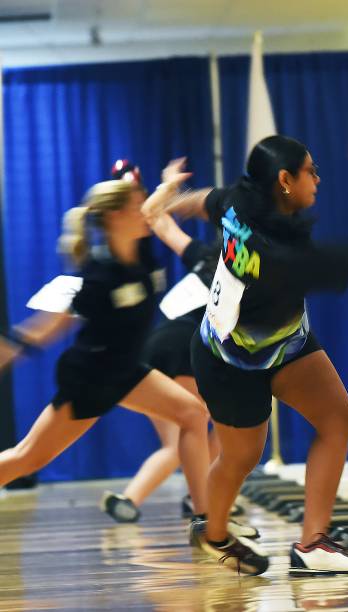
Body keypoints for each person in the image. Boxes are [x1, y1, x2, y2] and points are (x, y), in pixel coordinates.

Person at [147, 135, 348, 576]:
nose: (318, 179)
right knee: (241, 458)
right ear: (285, 180)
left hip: (285, 345)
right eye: (311, 171)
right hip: (228, 362)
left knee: (337, 417)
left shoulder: (238, 204)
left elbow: (208, 200)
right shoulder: (284, 256)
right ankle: (215, 534)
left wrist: (173, 197)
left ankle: (312, 545)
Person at [0, 167, 212, 533]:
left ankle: (208, 522)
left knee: (193, 414)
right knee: (27, 457)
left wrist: (167, 184)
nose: (144, 211)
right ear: (115, 217)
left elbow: (155, 211)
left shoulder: (142, 255)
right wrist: (15, 345)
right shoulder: (100, 272)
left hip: (128, 372)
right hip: (91, 378)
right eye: (136, 206)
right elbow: (58, 322)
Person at [98, 161, 248, 528]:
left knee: (183, 435)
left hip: (155, 345)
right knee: (205, 426)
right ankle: (204, 501)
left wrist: (167, 189)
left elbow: (159, 220)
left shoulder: (205, 257)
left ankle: (134, 498)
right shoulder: (252, 271)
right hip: (183, 350)